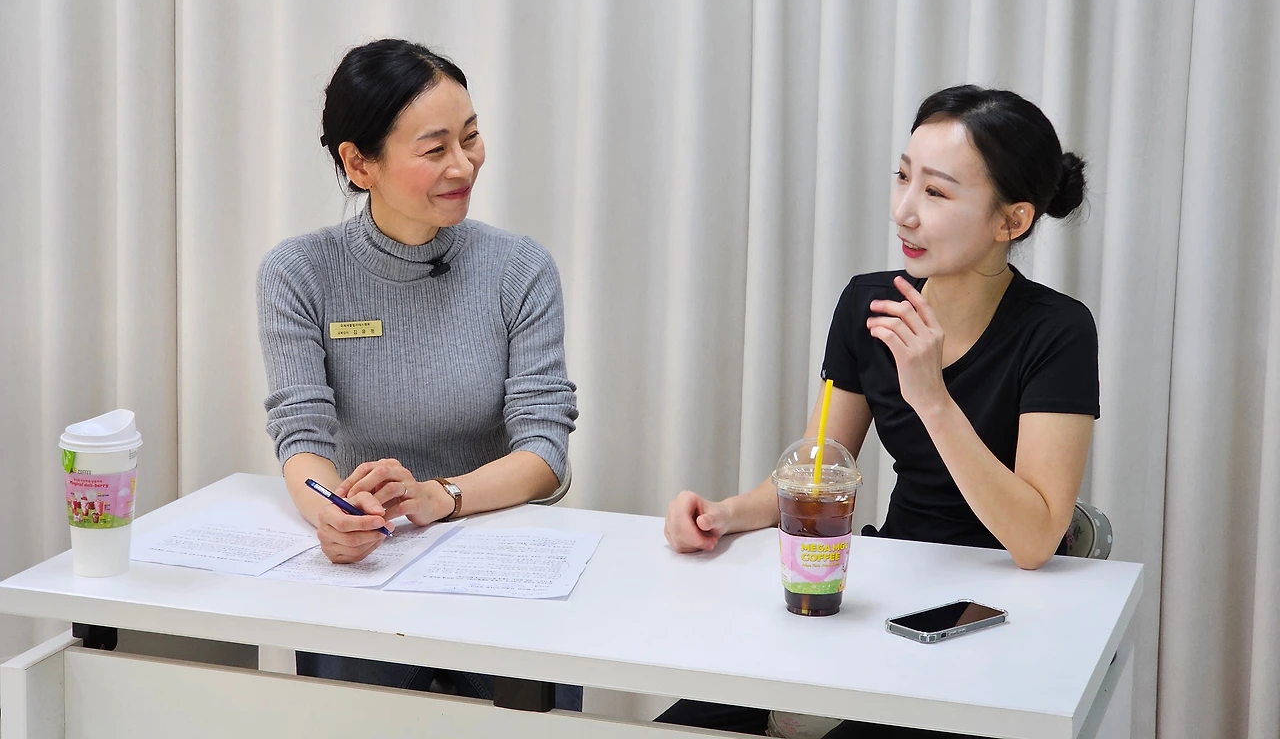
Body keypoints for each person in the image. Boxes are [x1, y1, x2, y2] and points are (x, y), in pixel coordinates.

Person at [660, 85, 1099, 738]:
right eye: (902, 177)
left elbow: (1035, 540)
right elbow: (816, 469)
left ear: (1011, 221)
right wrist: (725, 515)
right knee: (685, 720)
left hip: (999, 608)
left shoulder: (1057, 331)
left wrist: (932, 398)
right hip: (891, 582)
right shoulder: (869, 306)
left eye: (937, 192)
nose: (904, 211)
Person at [256, 38, 580, 707]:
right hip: (371, 564)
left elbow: (545, 453)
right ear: (359, 163)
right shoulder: (299, 273)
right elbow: (301, 437)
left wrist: (440, 496)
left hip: (497, 558)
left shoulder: (519, 270)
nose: (463, 164)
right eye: (434, 150)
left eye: (471, 137)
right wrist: (337, 517)